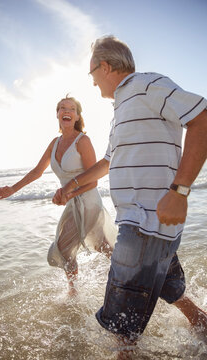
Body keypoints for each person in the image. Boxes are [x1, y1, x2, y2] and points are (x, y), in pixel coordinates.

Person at [53, 36, 207, 345]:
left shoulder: (148, 85)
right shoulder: (120, 110)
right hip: (141, 220)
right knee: (165, 284)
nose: (93, 83)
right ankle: (201, 323)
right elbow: (108, 161)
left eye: (92, 73)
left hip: (145, 220)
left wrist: (179, 192)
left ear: (105, 67)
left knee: (120, 317)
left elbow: (201, 119)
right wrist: (73, 184)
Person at [0, 95, 117, 296]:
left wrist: (69, 192)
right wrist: (13, 189)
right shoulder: (54, 143)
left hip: (88, 201)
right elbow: (37, 172)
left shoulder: (82, 141)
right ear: (57, 114)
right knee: (103, 246)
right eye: (62, 108)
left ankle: (74, 291)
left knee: (62, 249)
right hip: (71, 202)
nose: (66, 111)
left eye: (71, 109)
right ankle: (130, 272)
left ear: (76, 116)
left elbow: (93, 181)